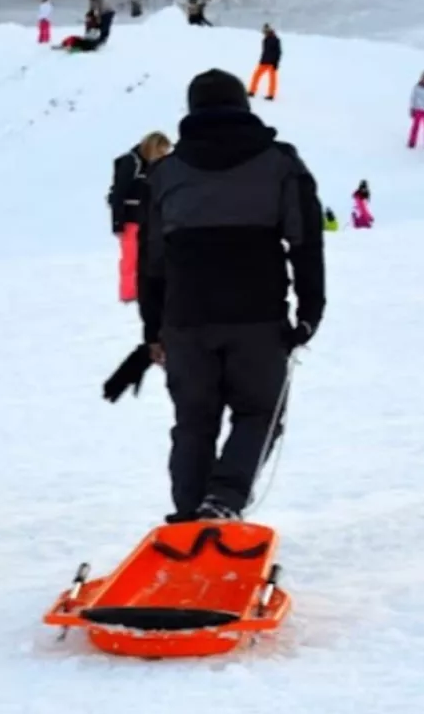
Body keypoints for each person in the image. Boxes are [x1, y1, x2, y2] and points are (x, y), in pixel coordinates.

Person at [124, 69, 324, 522]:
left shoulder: (165, 173)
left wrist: (152, 329)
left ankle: (189, 521)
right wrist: (310, 312)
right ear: (244, 107)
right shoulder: (281, 164)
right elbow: (306, 240)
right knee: (259, 414)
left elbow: (150, 262)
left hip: (185, 320)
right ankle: (222, 503)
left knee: (194, 422)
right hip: (257, 316)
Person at [109, 133, 172, 304]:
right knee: (131, 257)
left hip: (147, 219)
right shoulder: (132, 163)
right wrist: (117, 222)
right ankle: (128, 293)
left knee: (149, 256)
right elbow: (119, 193)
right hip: (130, 219)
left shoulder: (152, 166)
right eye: (161, 151)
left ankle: (144, 290)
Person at [249, 24, 281, 101]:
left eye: (265, 31)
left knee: (272, 79)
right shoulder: (265, 39)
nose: (264, 32)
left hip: (271, 62)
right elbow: (265, 51)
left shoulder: (275, 40)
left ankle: (271, 95)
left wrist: (276, 62)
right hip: (264, 61)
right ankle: (252, 91)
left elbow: (278, 52)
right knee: (256, 76)